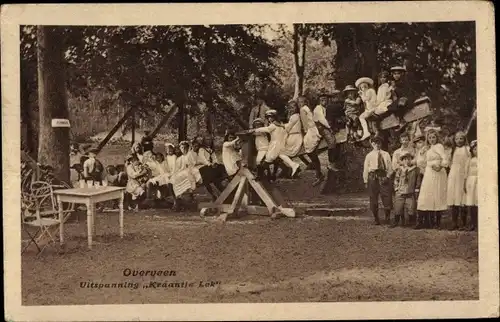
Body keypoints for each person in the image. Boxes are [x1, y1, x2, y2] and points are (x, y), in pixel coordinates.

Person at [251, 109, 301, 181]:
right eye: (268, 117)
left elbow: (267, 129)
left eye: (271, 117)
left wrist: (255, 130)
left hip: (275, 145)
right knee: (281, 155)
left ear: (275, 117)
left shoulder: (273, 125)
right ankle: (294, 165)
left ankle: (260, 176)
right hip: (281, 144)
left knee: (267, 161)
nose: (269, 119)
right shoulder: (280, 124)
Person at [417, 129, 449, 229]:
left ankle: (438, 222)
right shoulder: (427, 148)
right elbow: (421, 163)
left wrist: (441, 166)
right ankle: (429, 221)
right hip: (429, 173)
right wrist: (422, 153)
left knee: (438, 194)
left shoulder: (439, 146)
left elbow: (445, 158)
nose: (432, 139)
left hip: (438, 172)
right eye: (430, 138)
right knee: (427, 195)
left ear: (437, 137)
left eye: (433, 137)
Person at [363, 136, 393, 225]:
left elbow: (390, 167)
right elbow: (365, 168)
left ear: (381, 144)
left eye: (378, 143)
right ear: (372, 144)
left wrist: (388, 177)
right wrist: (365, 180)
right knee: (373, 198)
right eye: (374, 143)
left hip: (383, 175)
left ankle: (387, 217)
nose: (377, 145)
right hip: (373, 177)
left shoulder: (386, 154)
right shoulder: (369, 155)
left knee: (387, 196)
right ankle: (376, 218)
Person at [447, 131, 471, 230]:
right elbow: (449, 163)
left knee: (462, 198)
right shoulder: (453, 150)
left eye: (461, 138)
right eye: (457, 138)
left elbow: (469, 162)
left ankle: (463, 223)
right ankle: (454, 222)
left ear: (464, 139)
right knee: (453, 198)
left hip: (463, 175)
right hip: (453, 175)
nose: (459, 140)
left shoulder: (468, 149)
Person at [391, 151, 421, 228]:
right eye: (405, 159)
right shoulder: (399, 169)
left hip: (410, 192)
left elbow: (418, 181)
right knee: (398, 207)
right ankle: (396, 221)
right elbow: (396, 179)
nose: (407, 161)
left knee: (411, 207)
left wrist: (416, 189)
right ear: (402, 160)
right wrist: (396, 188)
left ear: (411, 160)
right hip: (400, 192)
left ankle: (412, 221)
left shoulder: (415, 169)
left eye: (408, 159)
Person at [298, 96, 323, 185]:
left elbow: (305, 124)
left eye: (301, 102)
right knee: (311, 152)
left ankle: (318, 173)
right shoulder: (307, 108)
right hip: (313, 129)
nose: (300, 103)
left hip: (311, 130)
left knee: (309, 150)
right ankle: (317, 172)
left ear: (304, 102)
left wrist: (305, 133)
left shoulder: (302, 109)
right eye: (299, 102)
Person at [313, 92, 339, 171]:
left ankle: (334, 161)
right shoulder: (318, 108)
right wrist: (330, 127)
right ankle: (331, 164)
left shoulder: (325, 108)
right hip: (319, 127)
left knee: (335, 139)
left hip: (324, 126)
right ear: (319, 100)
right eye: (322, 99)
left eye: (325, 99)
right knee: (332, 141)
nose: (324, 100)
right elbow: (322, 120)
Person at [197, 136, 227, 201]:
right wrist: (210, 164)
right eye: (207, 139)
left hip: (211, 166)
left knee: (220, 167)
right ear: (204, 141)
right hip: (203, 166)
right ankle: (213, 194)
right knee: (208, 178)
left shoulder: (211, 150)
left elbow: (214, 158)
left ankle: (224, 191)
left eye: (210, 140)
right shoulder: (201, 149)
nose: (209, 141)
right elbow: (203, 159)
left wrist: (215, 163)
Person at [385, 66, 415, 130]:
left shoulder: (404, 81)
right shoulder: (394, 83)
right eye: (394, 74)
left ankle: (402, 120)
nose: (396, 75)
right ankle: (398, 121)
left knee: (400, 104)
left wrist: (395, 88)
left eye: (398, 74)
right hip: (400, 98)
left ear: (401, 74)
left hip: (407, 97)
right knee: (390, 107)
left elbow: (404, 92)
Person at [412, 134, 429, 229]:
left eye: (420, 142)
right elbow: (415, 161)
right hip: (419, 176)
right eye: (417, 143)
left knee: (426, 197)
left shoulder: (427, 151)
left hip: (426, 175)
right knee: (419, 197)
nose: (419, 144)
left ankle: (427, 221)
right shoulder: (418, 152)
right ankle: (420, 220)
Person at [463, 140, 478, 231]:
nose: (477, 151)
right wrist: (465, 183)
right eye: (475, 149)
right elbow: (466, 172)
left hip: (480, 181)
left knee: (478, 202)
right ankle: (473, 223)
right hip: (471, 181)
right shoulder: (470, 160)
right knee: (471, 202)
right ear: (472, 150)